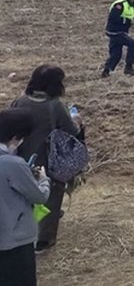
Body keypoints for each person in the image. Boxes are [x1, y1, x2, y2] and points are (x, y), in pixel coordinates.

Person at [11, 64, 83, 253]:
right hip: (48, 159)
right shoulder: (55, 106)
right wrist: (77, 119)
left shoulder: (21, 100)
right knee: (51, 194)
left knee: (25, 194)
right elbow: (72, 131)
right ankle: (44, 239)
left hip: (20, 157)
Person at [0, 108, 51, 286]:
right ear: (15, 137)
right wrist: (43, 180)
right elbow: (39, 197)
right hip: (15, 239)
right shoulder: (13, 164)